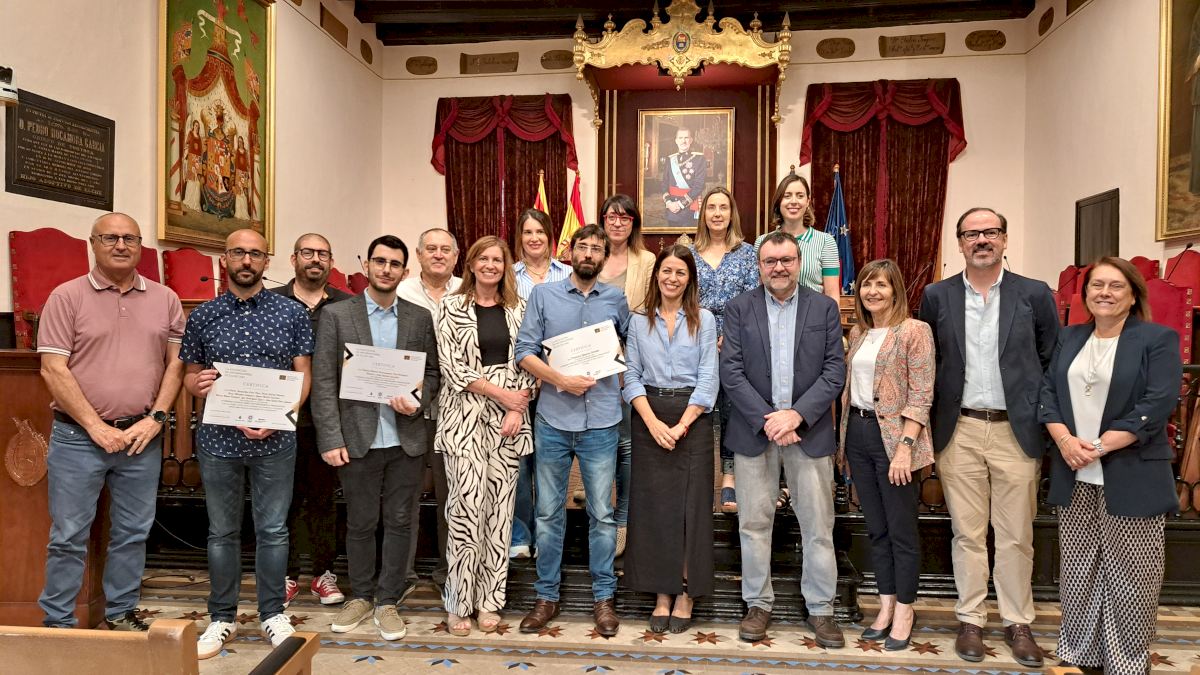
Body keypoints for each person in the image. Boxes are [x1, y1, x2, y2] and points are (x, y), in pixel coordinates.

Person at [917, 207, 1058, 668]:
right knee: (968, 533)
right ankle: (971, 620)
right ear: (959, 242)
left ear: (1004, 239)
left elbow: (1050, 359)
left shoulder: (1034, 294)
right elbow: (930, 361)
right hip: (959, 428)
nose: (981, 240)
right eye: (972, 234)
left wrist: (1044, 418)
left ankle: (1018, 622)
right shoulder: (937, 296)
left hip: (1015, 430)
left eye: (990, 232)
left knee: (1016, 534)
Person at [36, 213, 184, 631]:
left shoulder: (165, 299)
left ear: (140, 246)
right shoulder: (66, 297)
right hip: (77, 438)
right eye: (111, 238)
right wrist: (96, 427)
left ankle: (119, 612)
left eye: (130, 239)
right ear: (93, 244)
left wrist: (155, 420)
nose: (121, 245)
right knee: (68, 535)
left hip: (141, 438)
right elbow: (52, 369)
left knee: (133, 532)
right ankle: (58, 623)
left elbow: (176, 365)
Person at [1038, 258, 1182, 675]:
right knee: (1079, 569)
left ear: (1133, 295)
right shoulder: (1070, 337)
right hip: (1073, 470)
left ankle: (1127, 661)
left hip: (1132, 470)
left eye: (1116, 286)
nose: (1104, 293)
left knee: (1132, 574)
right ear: (1085, 294)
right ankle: (1081, 653)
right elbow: (1047, 394)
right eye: (1096, 285)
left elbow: (1156, 404)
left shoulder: (1156, 339)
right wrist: (1066, 441)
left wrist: (1098, 447)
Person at [181, 229, 314, 658]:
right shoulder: (204, 315)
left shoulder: (291, 312)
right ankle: (221, 617)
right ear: (225, 259)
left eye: (255, 254)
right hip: (219, 439)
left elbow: (303, 374)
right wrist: (197, 385)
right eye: (238, 252)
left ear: (266, 261)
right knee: (222, 532)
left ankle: (272, 613)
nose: (246, 260)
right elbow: (189, 375)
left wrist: (281, 417)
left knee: (273, 530)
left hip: (275, 440)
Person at [310, 235, 440, 641]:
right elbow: (324, 381)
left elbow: (432, 373)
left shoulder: (419, 318)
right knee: (361, 522)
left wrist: (417, 400)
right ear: (366, 265)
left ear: (405, 271)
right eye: (380, 261)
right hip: (357, 438)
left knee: (401, 522)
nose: (386, 269)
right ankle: (361, 595)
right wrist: (330, 438)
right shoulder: (336, 315)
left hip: (406, 439)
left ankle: (388, 600)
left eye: (395, 264)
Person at [719, 231, 846, 648]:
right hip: (754, 433)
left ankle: (822, 609)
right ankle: (758, 604)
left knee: (818, 526)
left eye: (786, 260)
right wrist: (769, 420)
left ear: (799, 262)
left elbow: (834, 371)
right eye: (770, 261)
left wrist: (796, 415)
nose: (779, 268)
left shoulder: (824, 308)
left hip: (808, 432)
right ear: (759, 266)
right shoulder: (739, 308)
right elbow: (731, 371)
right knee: (754, 524)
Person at [515, 224, 631, 638]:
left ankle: (603, 598)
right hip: (553, 419)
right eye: (583, 247)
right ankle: (546, 596)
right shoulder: (543, 295)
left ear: (604, 257)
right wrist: (559, 379)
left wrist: (618, 369)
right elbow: (524, 351)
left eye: (597, 249)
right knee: (548, 513)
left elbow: (630, 348)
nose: (589, 254)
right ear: (571, 251)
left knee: (602, 514)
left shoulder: (616, 299)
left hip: (602, 420)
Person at [436, 236, 537, 636]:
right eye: (484, 258)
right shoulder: (450, 307)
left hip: (509, 424)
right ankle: (459, 602)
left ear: (506, 266)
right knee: (465, 512)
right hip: (464, 420)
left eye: (498, 259)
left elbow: (530, 362)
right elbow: (452, 368)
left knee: (499, 513)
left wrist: (516, 407)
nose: (491, 265)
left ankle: (490, 601)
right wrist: (503, 396)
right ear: (472, 263)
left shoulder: (520, 308)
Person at [835, 259, 934, 651]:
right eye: (866, 284)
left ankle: (906, 610)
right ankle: (886, 604)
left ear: (896, 291)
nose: (872, 292)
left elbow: (922, 394)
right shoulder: (859, 333)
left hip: (895, 440)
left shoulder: (914, 331)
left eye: (881, 285)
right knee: (876, 528)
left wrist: (905, 449)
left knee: (901, 531)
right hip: (858, 434)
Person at [623, 245, 718, 634]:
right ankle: (663, 592)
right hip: (649, 415)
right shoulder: (638, 321)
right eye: (666, 271)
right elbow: (630, 375)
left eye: (680, 272)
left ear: (689, 278)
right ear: (656, 275)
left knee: (692, 510)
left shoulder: (704, 319)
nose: (672, 278)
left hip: (692, 418)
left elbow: (709, 377)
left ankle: (687, 593)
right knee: (655, 511)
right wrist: (652, 422)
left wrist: (680, 426)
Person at [271, 233, 351, 607]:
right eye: (308, 253)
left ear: (331, 262)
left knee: (323, 499)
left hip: (330, 419)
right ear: (294, 259)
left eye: (323, 254)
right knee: (283, 499)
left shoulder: (348, 305)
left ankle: (323, 573)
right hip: (280, 416)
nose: (315, 259)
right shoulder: (272, 302)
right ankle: (285, 575)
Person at [397, 227, 461, 593]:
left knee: (452, 498)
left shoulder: (468, 291)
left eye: (445, 249)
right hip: (406, 409)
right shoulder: (400, 292)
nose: (438, 254)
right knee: (404, 496)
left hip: (454, 411)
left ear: (455, 257)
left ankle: (450, 572)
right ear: (419, 254)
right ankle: (401, 574)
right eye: (431, 249)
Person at [688, 186, 758, 512]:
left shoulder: (747, 254)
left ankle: (729, 477)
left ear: (732, 214)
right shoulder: (689, 253)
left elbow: (754, 300)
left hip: (735, 342)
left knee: (732, 410)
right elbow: (681, 298)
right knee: (698, 408)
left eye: (723, 207)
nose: (717, 213)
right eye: (711, 207)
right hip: (694, 341)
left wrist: (733, 335)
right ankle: (697, 474)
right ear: (703, 214)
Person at [596, 194, 655, 556]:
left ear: (634, 223)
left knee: (627, 443)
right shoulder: (590, 255)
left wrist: (621, 360)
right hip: (587, 366)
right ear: (602, 220)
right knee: (596, 441)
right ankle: (599, 512)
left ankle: (623, 518)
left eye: (625, 217)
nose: (617, 223)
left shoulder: (646, 261)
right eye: (611, 217)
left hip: (626, 363)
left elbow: (646, 313)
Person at [510, 209, 571, 560]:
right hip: (518, 382)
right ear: (519, 237)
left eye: (540, 232)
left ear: (550, 236)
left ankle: (549, 538)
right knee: (520, 462)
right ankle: (520, 534)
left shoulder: (567, 274)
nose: (534, 238)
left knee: (550, 465)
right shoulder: (508, 276)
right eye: (527, 232)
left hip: (559, 382)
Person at [754, 172, 840, 302]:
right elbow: (759, 290)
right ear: (779, 201)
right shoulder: (762, 242)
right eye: (787, 196)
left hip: (813, 312)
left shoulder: (825, 242)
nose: (794, 201)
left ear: (807, 201)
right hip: (773, 312)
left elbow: (832, 294)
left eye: (800, 196)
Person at [660, 127, 707, 229]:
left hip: (689, 209)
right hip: (672, 208)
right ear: (676, 140)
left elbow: (699, 186)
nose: (683, 141)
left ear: (691, 140)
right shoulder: (670, 159)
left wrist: (680, 204)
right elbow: (664, 183)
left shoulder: (699, 159)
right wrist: (669, 202)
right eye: (680, 138)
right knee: (672, 237)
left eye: (686, 138)